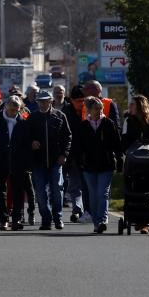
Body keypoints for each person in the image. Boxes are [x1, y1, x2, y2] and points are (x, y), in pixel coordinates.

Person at [75, 96, 122, 234]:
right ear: (89, 110)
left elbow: (117, 144)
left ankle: (102, 220)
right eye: (96, 108)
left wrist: (119, 160)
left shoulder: (108, 124)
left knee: (102, 193)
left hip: (106, 165)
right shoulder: (83, 126)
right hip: (89, 166)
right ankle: (96, 223)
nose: (99, 111)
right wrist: (80, 162)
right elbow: (78, 147)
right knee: (93, 195)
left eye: (101, 108)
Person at [26, 89, 72, 231]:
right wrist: (31, 143)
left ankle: (57, 217)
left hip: (55, 161)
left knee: (57, 189)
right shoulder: (32, 118)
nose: (43, 103)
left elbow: (68, 137)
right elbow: (26, 136)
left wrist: (64, 154)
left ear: (51, 101)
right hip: (38, 162)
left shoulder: (60, 116)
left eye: (45, 100)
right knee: (40, 191)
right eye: (40, 101)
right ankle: (46, 219)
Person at [0, 96, 30, 230]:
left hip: (18, 161)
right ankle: (4, 219)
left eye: (17, 109)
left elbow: (26, 142)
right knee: (1, 191)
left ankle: (17, 219)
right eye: (12, 109)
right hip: (0, 159)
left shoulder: (23, 121)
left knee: (18, 190)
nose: (14, 112)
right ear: (6, 106)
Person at [63, 85, 88, 223]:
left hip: (85, 154)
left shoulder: (88, 111)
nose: (81, 104)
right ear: (71, 100)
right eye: (78, 101)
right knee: (74, 184)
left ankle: (84, 209)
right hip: (70, 154)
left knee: (85, 184)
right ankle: (77, 209)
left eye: (83, 100)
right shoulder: (66, 112)